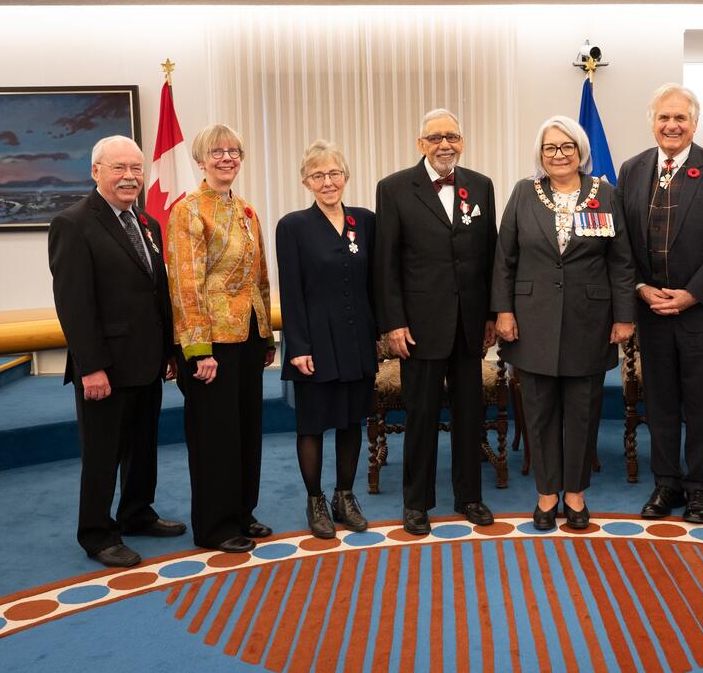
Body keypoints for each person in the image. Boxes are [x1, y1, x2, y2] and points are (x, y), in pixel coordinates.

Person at [48, 135, 185, 568]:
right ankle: (97, 533)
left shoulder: (148, 223)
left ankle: (136, 512)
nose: (130, 177)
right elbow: (74, 304)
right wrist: (91, 368)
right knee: (103, 453)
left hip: (147, 361)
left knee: (143, 446)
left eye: (136, 169)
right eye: (119, 168)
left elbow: (156, 292)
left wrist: (168, 352)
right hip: (105, 367)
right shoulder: (73, 223)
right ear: (96, 172)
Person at [492, 116, 635, 530]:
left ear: (580, 151)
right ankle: (547, 493)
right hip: (530, 321)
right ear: (541, 153)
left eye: (567, 147)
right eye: (551, 147)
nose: (559, 154)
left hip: (589, 321)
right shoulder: (523, 193)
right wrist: (503, 311)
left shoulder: (604, 193)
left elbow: (621, 262)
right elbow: (505, 259)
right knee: (538, 413)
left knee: (582, 413)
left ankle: (575, 493)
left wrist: (624, 316)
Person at [616, 83, 703, 524]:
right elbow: (621, 241)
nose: (671, 125)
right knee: (661, 402)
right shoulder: (631, 169)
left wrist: (692, 294)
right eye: (664, 118)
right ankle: (666, 483)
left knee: (699, 404)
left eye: (680, 118)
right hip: (651, 310)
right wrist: (639, 288)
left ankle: (697, 487)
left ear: (695, 123)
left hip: (700, 312)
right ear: (653, 123)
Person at [374, 108, 498, 536]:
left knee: (470, 415)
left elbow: (489, 257)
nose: (445, 144)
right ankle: (416, 502)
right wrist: (393, 323)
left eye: (452, 136)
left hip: (468, 326)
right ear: (420, 143)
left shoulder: (481, 186)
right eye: (435, 137)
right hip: (419, 327)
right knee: (422, 416)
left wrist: (489, 316)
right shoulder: (393, 189)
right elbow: (385, 263)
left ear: (461, 140)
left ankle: (470, 497)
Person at [167, 124, 276, 553]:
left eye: (234, 151)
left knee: (246, 430)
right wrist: (198, 350)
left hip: (248, 336)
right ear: (201, 159)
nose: (227, 158)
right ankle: (214, 525)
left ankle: (242, 512)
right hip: (209, 343)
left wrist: (266, 335)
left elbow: (260, 275)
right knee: (215, 437)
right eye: (218, 152)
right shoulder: (188, 210)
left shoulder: (247, 210)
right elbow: (185, 286)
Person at [276, 140, 376, 539]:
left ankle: (344, 496)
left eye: (334, 173)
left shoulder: (365, 221)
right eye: (318, 175)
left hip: (357, 338)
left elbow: (374, 281)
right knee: (314, 424)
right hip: (314, 341)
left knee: (352, 422)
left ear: (346, 177)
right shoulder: (293, 226)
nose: (328, 181)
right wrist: (298, 348)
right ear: (306, 182)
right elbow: (291, 290)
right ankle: (315, 500)